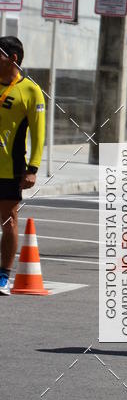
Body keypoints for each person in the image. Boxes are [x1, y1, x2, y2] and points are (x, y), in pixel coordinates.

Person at [0, 37, 46, 294]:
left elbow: (39, 134)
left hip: (9, 167)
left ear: (12, 59)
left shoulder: (30, 91)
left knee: (8, 220)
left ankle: (3, 276)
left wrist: (33, 168)